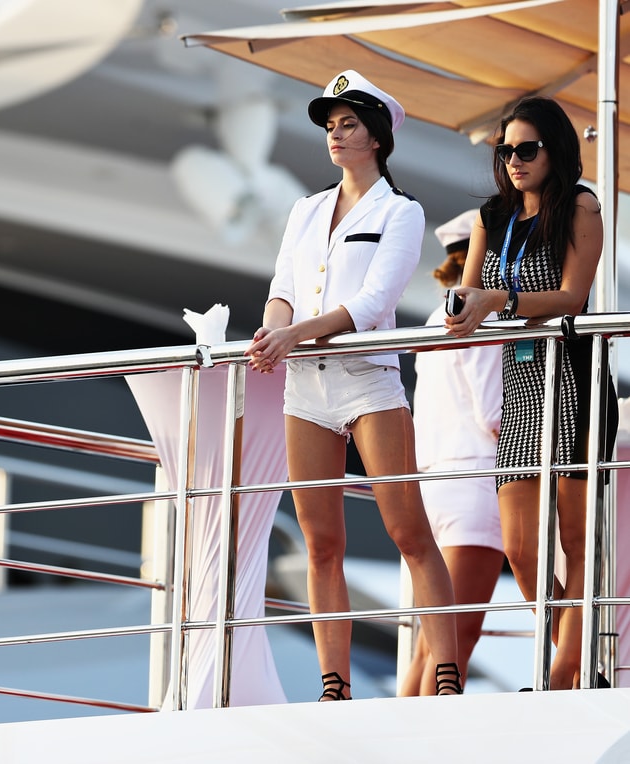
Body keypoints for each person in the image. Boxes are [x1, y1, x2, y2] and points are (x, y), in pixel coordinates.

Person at [246, 69, 461, 700]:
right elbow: (282, 288)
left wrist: (292, 334)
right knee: (321, 544)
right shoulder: (305, 209)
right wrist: (272, 332)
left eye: (349, 125)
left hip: (369, 381)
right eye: (332, 126)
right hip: (305, 387)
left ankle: (447, 676)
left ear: (378, 138)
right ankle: (334, 686)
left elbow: (373, 303)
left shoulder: (401, 211)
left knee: (408, 532)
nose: (336, 136)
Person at [445, 95, 618, 690]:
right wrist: (460, 306)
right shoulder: (491, 218)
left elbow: (572, 297)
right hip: (520, 388)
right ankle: (579, 668)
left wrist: (501, 300)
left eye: (527, 149)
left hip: (572, 380)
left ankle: (563, 676)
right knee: (520, 551)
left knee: (576, 540)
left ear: (554, 150)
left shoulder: (580, 205)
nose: (514, 160)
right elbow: (470, 292)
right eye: (505, 150)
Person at [400, 210, 505, 696]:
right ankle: (429, 736)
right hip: (475, 482)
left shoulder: (437, 315)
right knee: (456, 642)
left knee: (432, 645)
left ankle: (400, 734)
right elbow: (493, 413)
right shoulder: (484, 315)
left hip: (435, 484)